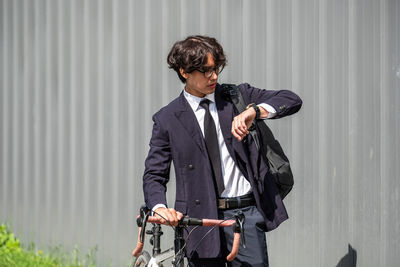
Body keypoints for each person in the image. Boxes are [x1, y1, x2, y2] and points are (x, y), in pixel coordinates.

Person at [142, 35, 302, 266]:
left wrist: (254, 112)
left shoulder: (237, 97)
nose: (214, 76)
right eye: (206, 71)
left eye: (216, 68)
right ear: (185, 72)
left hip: (244, 216)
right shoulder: (167, 119)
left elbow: (291, 99)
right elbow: (154, 175)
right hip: (199, 221)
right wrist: (159, 207)